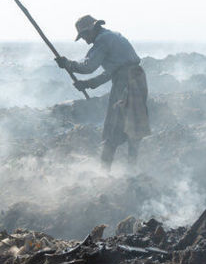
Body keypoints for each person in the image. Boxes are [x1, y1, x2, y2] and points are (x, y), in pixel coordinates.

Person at [55, 15, 150, 168]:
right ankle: (131, 169)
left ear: (92, 29)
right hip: (138, 81)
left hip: (125, 83)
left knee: (113, 126)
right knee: (135, 124)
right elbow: (112, 72)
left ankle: (104, 172)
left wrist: (68, 64)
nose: (86, 41)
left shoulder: (103, 40)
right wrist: (88, 84)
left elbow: (89, 67)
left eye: (85, 35)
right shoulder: (113, 36)